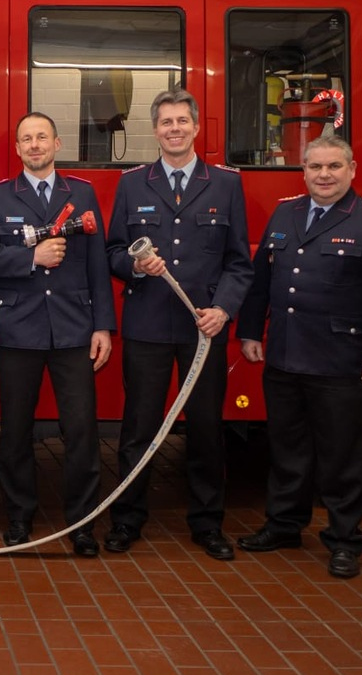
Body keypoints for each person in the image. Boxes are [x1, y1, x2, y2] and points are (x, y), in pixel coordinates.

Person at [236, 135, 362, 578]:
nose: (324, 175)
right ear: (304, 171)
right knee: (287, 448)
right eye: (315, 167)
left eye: (334, 166)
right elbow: (262, 281)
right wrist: (250, 331)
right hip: (284, 353)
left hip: (342, 360)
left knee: (342, 455)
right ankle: (284, 525)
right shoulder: (287, 212)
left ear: (352, 169)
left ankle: (344, 540)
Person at [103, 89, 253, 561]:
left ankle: (208, 525)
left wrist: (223, 310)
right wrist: (133, 267)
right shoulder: (132, 184)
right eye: (165, 121)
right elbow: (112, 252)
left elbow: (239, 262)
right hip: (147, 325)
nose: (174, 129)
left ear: (195, 128)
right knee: (138, 428)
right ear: (155, 130)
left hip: (203, 329)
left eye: (181, 121)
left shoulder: (226, 184)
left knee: (207, 429)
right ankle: (128, 519)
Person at [0, 112, 115, 556]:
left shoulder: (82, 193)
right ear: (17, 149)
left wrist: (103, 325)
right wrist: (31, 258)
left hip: (73, 329)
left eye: (42, 137)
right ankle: (19, 518)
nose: (34, 145)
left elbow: (97, 266)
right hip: (18, 330)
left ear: (57, 143)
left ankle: (83, 524)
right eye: (26, 139)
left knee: (81, 431)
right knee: (14, 431)